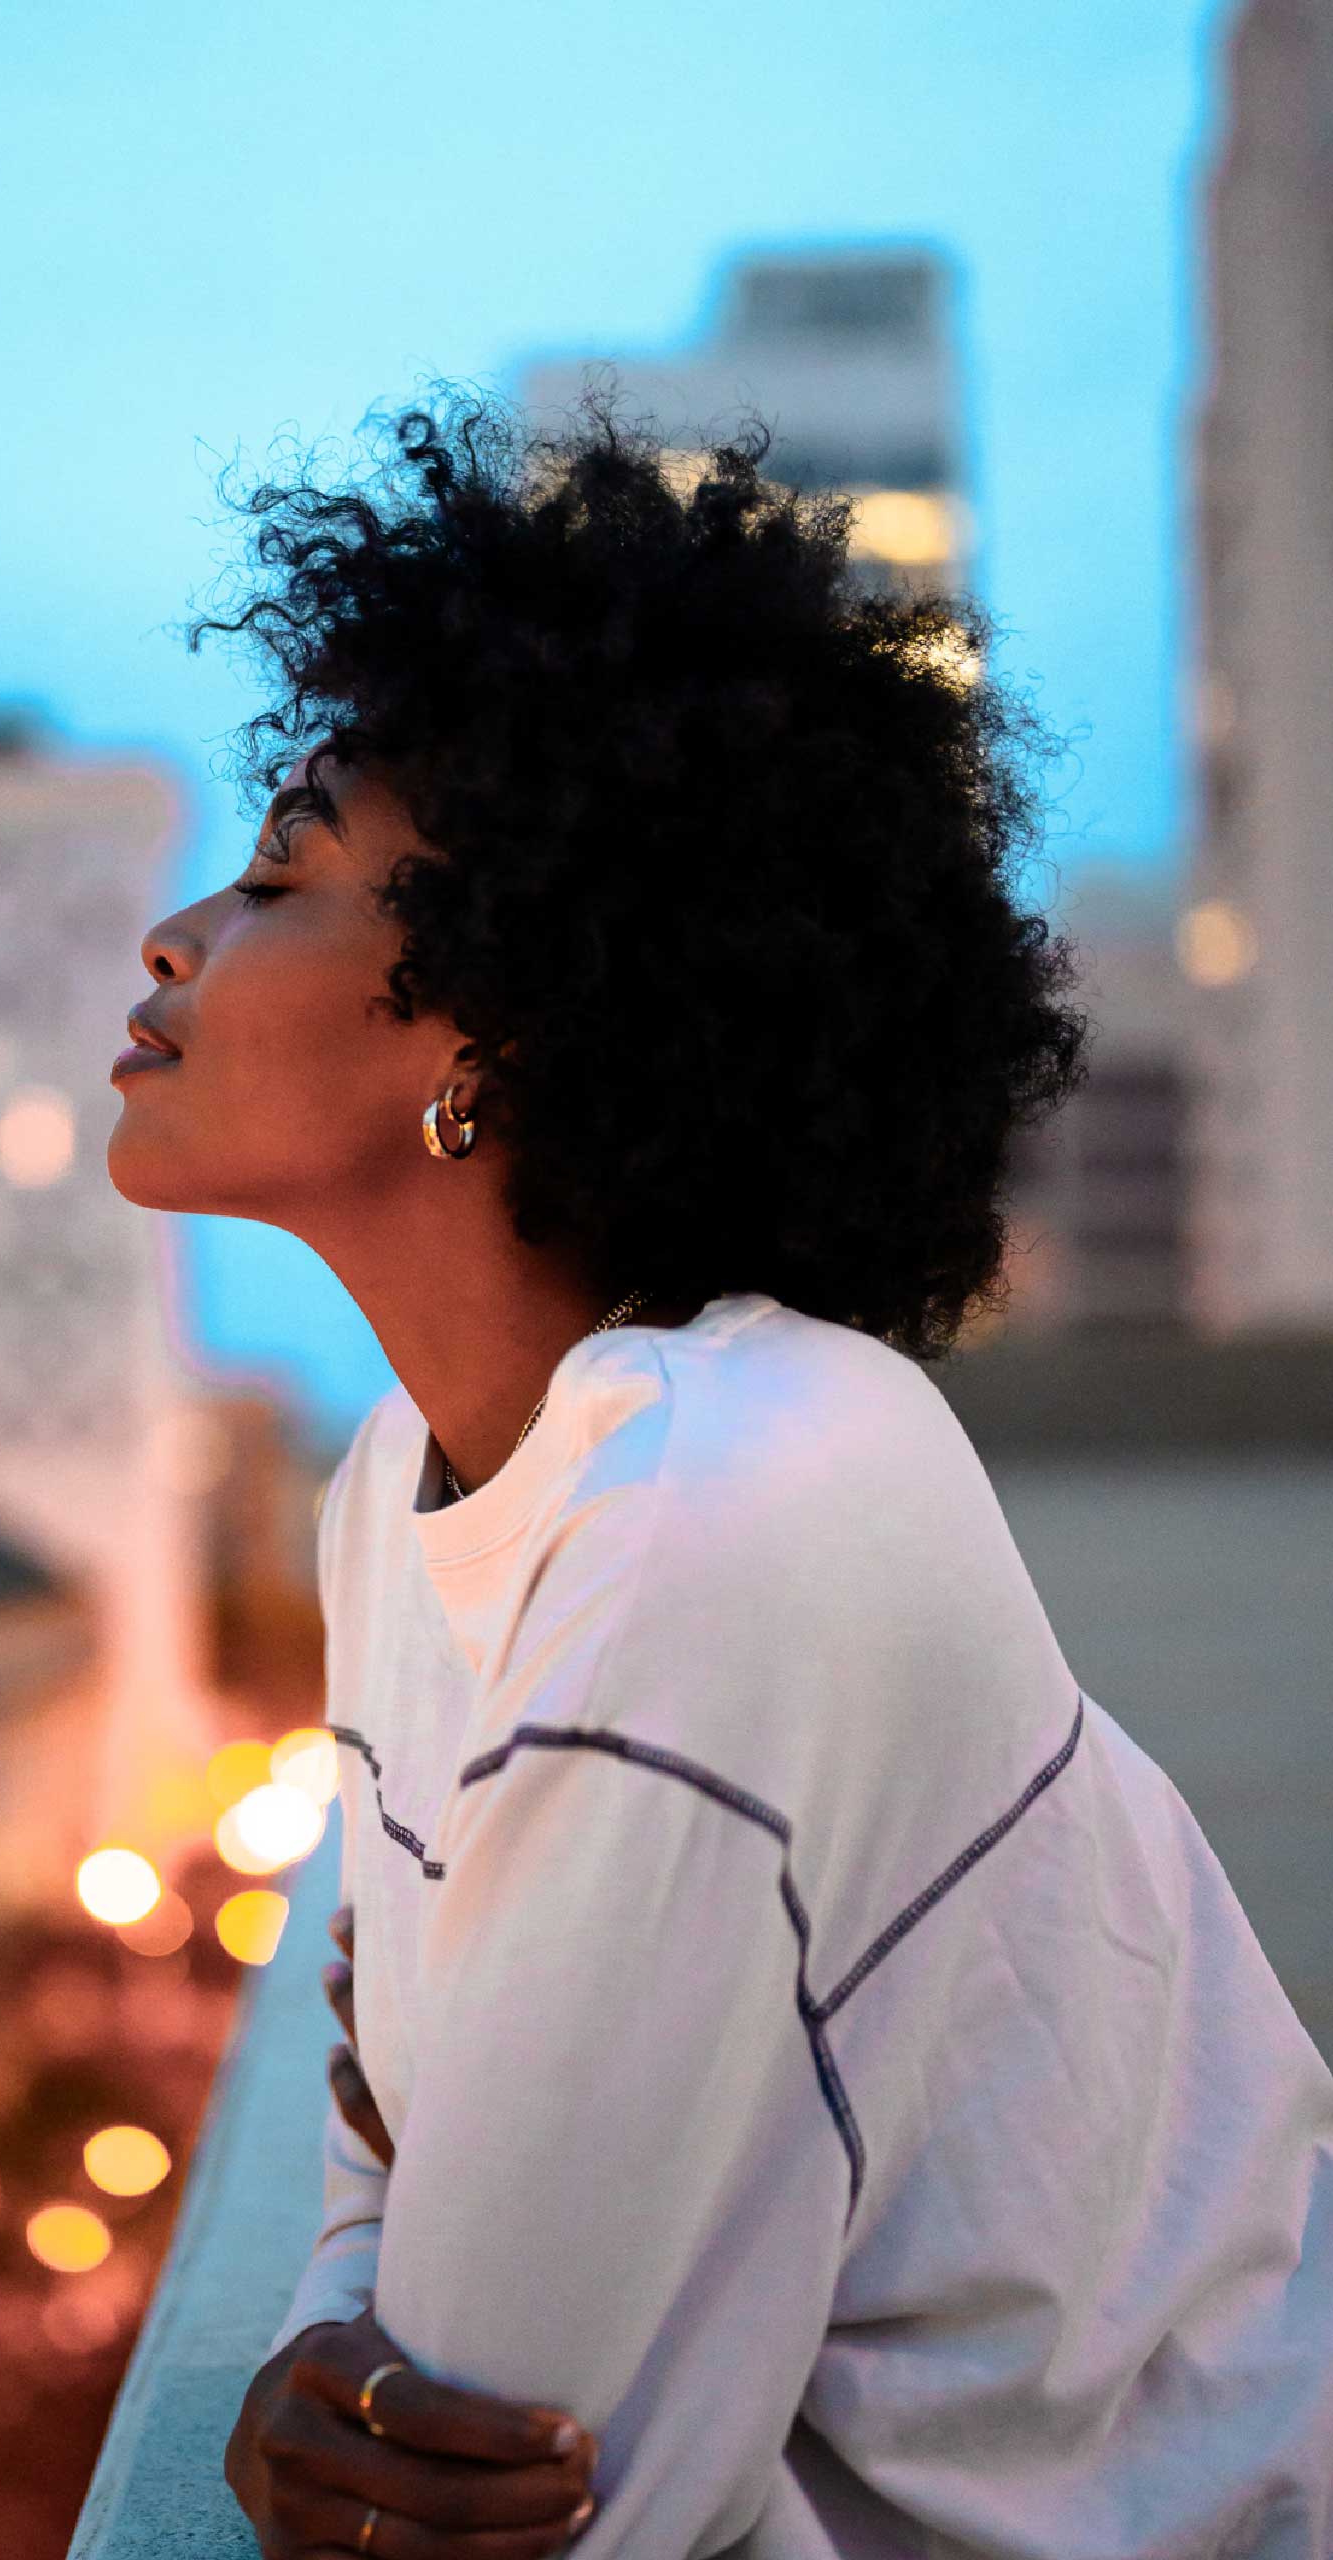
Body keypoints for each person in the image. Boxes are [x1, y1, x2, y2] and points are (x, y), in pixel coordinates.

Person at [105, 385, 1333, 2557]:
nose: (174, 937)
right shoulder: (399, 1488)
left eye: (280, 868)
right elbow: (390, 2114)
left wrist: (379, 2368)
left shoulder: (728, 1507)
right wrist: (322, 2344)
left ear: (491, 1025)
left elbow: (545, 2482)